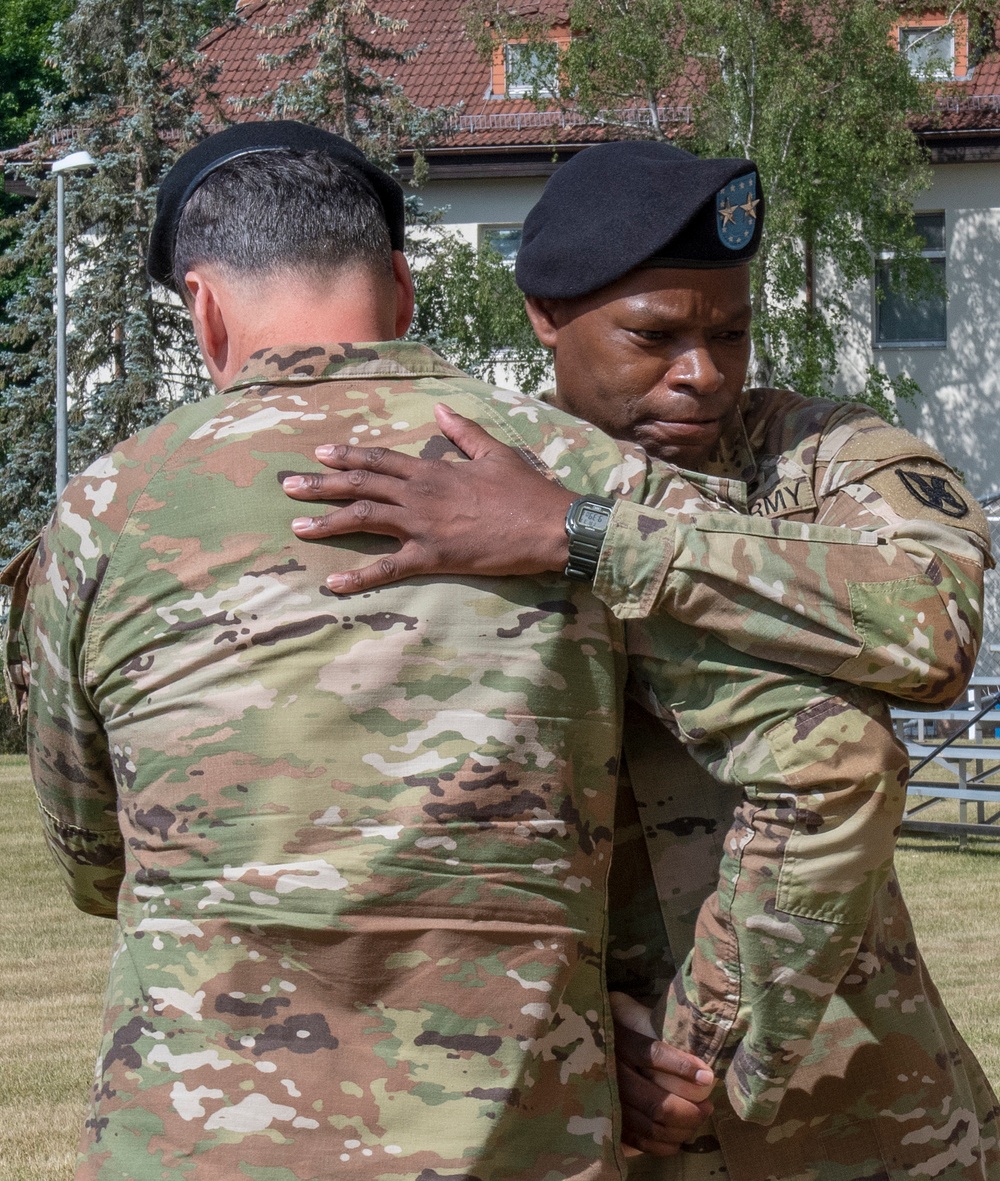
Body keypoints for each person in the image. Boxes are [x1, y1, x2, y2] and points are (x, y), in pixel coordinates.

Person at [281, 141, 1000, 1180]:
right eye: (654, 335)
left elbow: (932, 626)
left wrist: (588, 535)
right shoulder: (460, 492)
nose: (702, 372)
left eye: (731, 332)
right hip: (592, 1102)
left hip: (854, 1112)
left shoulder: (818, 456)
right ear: (543, 314)